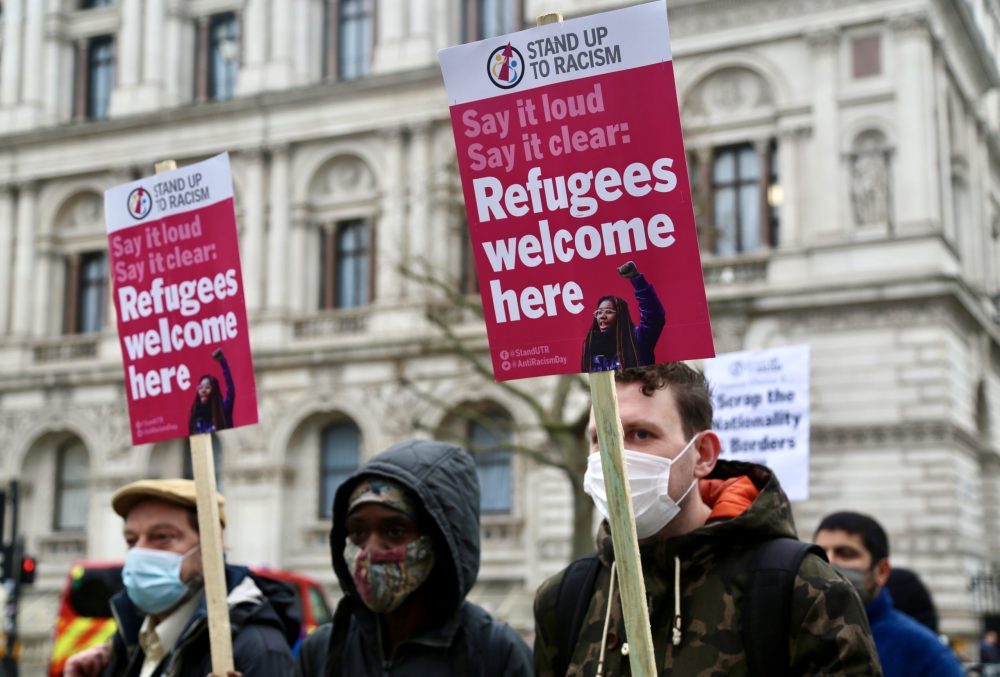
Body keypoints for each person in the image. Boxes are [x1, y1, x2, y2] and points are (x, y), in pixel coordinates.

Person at [534, 363, 882, 676]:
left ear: (702, 455)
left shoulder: (804, 590)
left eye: (641, 434)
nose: (615, 457)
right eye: (600, 438)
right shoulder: (564, 598)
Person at [293, 439, 533, 676]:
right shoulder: (322, 652)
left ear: (440, 540)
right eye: (357, 532)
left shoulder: (495, 653)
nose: (370, 550)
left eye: (394, 531)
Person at [64, 479, 298, 677]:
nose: (139, 552)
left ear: (210, 546)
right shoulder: (130, 640)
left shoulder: (255, 650)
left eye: (162, 537)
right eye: (131, 540)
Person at [814, 511, 964, 677]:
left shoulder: (924, 652)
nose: (828, 563)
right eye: (819, 554)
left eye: (846, 554)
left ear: (881, 571)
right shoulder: (799, 630)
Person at [580, 261, 665, 372]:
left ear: (620, 316)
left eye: (608, 312)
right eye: (599, 312)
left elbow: (654, 317)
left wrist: (637, 279)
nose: (602, 316)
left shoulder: (637, 339)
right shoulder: (590, 348)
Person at [189, 348, 235, 434]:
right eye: (200, 387)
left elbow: (231, 390)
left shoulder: (223, 409)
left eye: (207, 387)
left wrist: (223, 362)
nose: (203, 390)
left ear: (214, 391)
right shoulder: (195, 414)